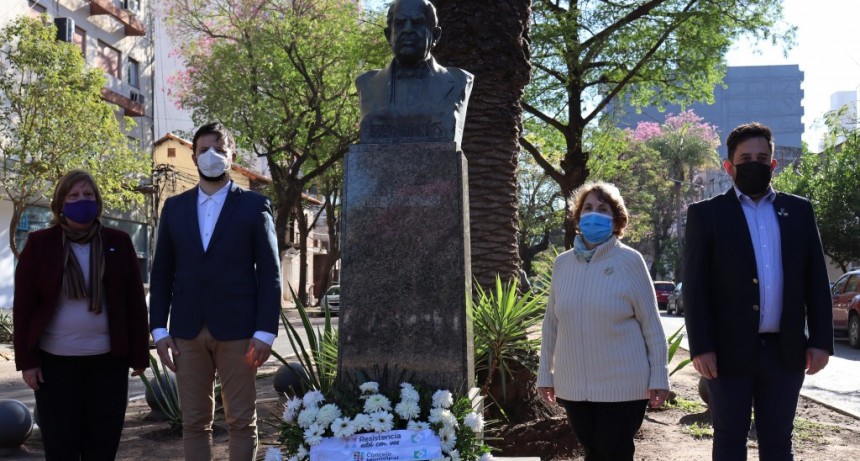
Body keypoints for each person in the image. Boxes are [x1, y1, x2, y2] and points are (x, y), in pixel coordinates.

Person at [683, 122, 833, 460]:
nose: (755, 163)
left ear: (773, 164)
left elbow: (816, 280)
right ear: (729, 166)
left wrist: (821, 340)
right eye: (746, 157)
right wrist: (702, 347)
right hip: (726, 353)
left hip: (785, 351)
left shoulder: (798, 211)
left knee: (779, 441)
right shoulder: (706, 215)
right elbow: (695, 288)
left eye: (762, 157)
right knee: (729, 439)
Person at [149, 122, 282, 460]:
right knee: (194, 423)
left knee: (240, 421)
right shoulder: (174, 208)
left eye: (220, 149)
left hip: (239, 332)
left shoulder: (254, 206)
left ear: (231, 155)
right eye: (205, 149)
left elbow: (269, 273)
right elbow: (162, 272)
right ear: (193, 157)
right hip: (186, 332)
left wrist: (266, 331)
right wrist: (159, 329)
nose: (212, 156)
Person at [13, 169, 150, 459]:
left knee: (102, 447)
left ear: (98, 202)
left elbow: (134, 303)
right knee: (61, 447)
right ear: (60, 203)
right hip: (54, 366)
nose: (81, 200)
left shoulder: (119, 241)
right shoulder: (40, 244)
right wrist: (28, 362)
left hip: (108, 365)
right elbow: (24, 306)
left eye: (88, 195)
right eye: (73, 195)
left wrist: (139, 354)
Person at [537, 181, 670, 461]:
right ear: (577, 217)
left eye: (602, 208)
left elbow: (651, 324)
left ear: (616, 219)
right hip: (574, 387)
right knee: (593, 452)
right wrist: (545, 375)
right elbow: (551, 325)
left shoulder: (630, 261)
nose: (593, 214)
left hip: (624, 387)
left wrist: (660, 374)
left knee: (614, 453)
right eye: (587, 208)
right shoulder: (562, 264)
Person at [356, 0, 473, 145]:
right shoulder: (367, 84)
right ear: (388, 35)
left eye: (417, 23)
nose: (408, 30)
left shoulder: (458, 81)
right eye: (400, 24)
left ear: (435, 36)